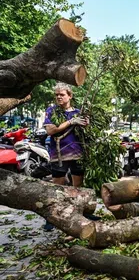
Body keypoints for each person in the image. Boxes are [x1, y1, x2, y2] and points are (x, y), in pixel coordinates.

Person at [43, 82, 89, 230]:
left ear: (70, 96)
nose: (58, 97)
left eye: (62, 94)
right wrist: (70, 121)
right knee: (57, 187)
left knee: (78, 187)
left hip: (77, 153)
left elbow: (85, 133)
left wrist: (86, 124)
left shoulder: (77, 112)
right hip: (59, 154)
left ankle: (80, 213)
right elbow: (51, 130)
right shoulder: (52, 111)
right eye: (57, 95)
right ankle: (52, 218)